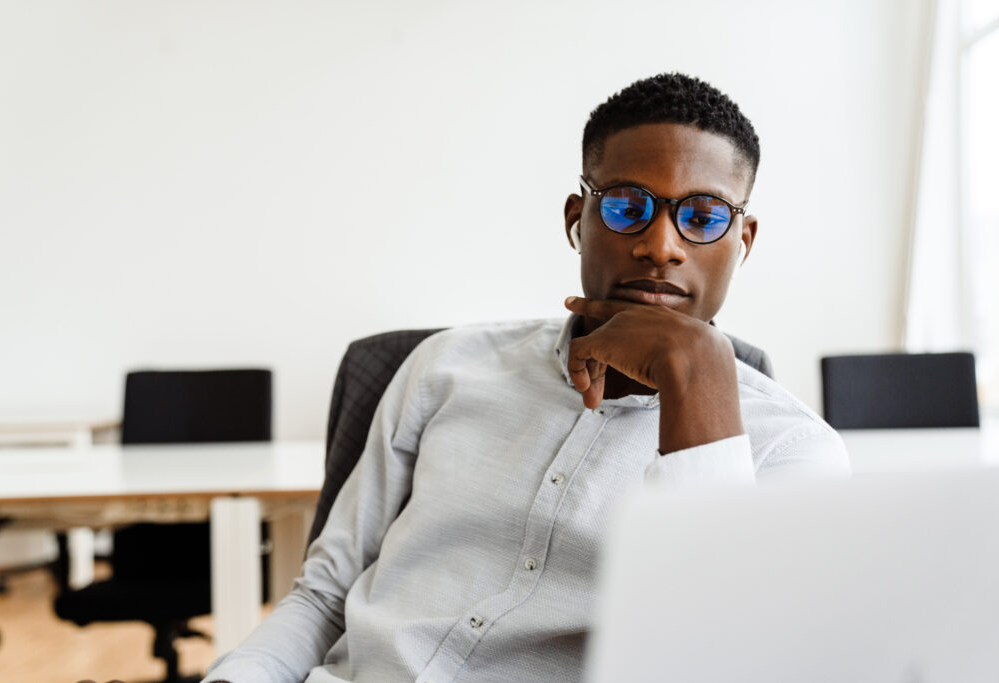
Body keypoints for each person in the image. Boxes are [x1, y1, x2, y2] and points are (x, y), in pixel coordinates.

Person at [199, 73, 850, 683]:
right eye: (626, 207)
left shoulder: (792, 453)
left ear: (744, 240)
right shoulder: (445, 366)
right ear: (577, 219)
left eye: (703, 217)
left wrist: (698, 375)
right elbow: (322, 597)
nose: (661, 245)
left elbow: (721, 659)